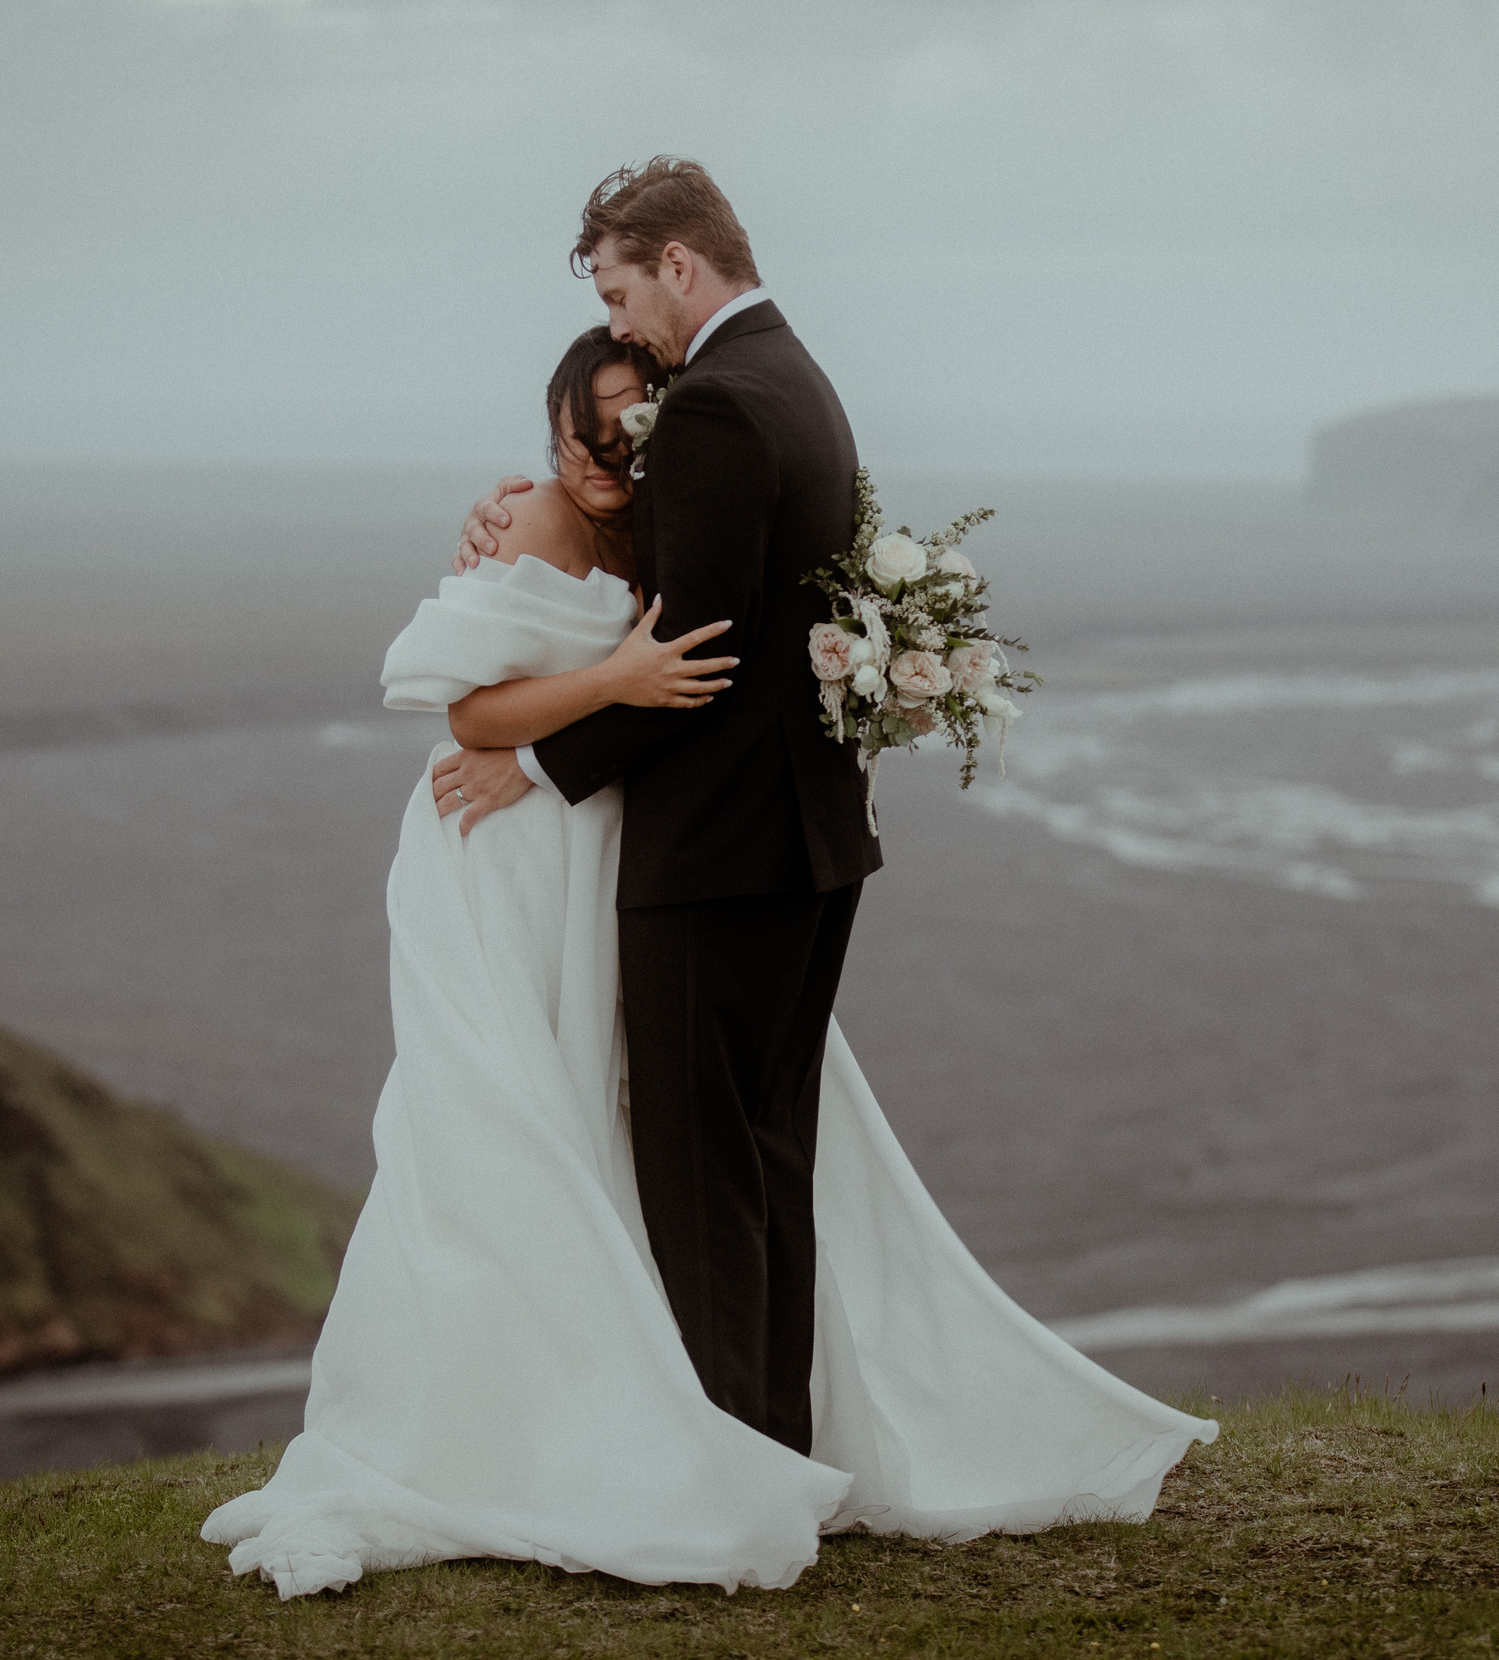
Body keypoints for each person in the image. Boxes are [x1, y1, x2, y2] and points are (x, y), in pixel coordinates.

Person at [202, 162, 1213, 1599]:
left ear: (678, 266)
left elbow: (701, 660)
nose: (624, 325)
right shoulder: (800, 377)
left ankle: (739, 1485)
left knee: (699, 1172)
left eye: (623, 291)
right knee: (764, 1156)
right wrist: (535, 526)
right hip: (803, 849)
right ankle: (777, 1456)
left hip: (719, 858)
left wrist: (535, 759)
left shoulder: (722, 406)